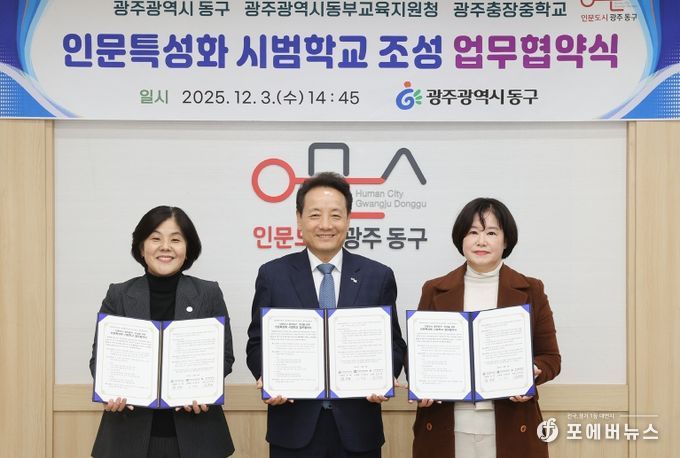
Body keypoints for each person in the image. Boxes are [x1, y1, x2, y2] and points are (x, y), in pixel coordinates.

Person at [246, 172, 407, 457]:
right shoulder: (273, 275)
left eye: (335, 215)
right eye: (314, 215)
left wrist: (384, 377)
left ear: (348, 219)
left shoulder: (377, 276)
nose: (325, 225)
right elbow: (256, 343)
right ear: (299, 219)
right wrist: (268, 377)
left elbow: (394, 343)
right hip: (292, 427)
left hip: (358, 430)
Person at [411, 198, 561, 458]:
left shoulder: (531, 289)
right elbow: (417, 353)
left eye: (491, 233)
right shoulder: (434, 289)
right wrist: (421, 381)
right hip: (447, 425)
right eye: (473, 232)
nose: (481, 241)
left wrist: (531, 372)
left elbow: (550, 358)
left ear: (506, 240)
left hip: (510, 424)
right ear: (461, 238)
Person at [89, 206, 235, 458]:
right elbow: (100, 360)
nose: (165, 247)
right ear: (141, 247)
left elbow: (225, 357)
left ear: (188, 248)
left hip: (198, 436)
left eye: (175, 240)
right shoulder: (118, 295)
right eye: (155, 238)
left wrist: (203, 389)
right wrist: (109, 389)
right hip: (128, 437)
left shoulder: (208, 293)